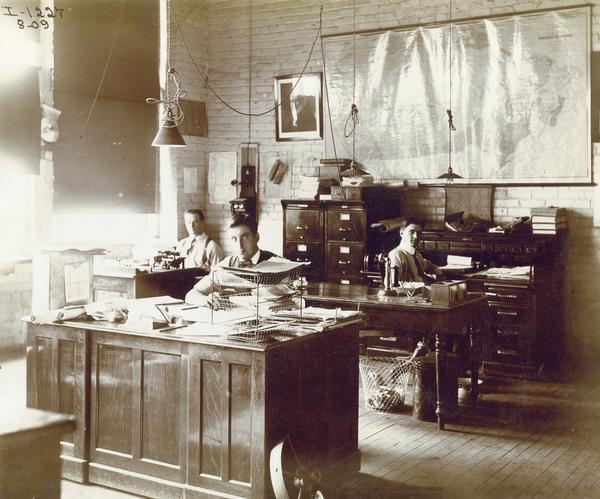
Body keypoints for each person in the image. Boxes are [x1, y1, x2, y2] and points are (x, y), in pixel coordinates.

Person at [184, 214, 277, 305]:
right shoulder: (226, 265)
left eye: (244, 237)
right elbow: (191, 295)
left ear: (256, 237)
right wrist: (206, 300)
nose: (239, 245)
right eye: (234, 239)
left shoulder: (276, 263)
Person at [387, 217, 442, 284]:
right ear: (401, 233)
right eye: (411, 232)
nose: (416, 236)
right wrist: (421, 285)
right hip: (409, 293)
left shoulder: (416, 254)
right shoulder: (396, 255)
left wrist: (436, 270)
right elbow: (393, 284)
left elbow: (427, 266)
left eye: (419, 233)